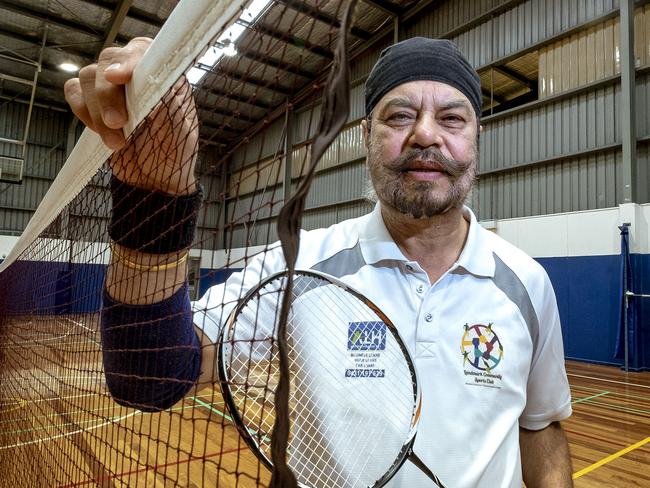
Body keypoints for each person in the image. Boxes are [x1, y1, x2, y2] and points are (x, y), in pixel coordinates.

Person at [65, 36, 574, 487]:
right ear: (364, 136)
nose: (424, 134)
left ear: (476, 138)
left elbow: (541, 425)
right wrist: (155, 198)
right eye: (398, 115)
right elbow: (148, 374)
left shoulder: (527, 283)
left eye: (452, 118)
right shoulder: (297, 266)